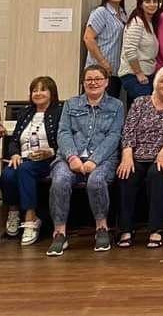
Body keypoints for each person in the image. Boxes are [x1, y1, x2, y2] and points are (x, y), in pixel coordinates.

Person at [47, 65, 124, 256]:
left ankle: (101, 228)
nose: (93, 83)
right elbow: (63, 132)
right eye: (89, 79)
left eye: (98, 79)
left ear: (106, 82)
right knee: (60, 180)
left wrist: (94, 160)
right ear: (83, 82)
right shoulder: (71, 104)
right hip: (69, 157)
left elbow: (114, 136)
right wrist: (72, 156)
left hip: (103, 159)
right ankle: (59, 232)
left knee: (96, 181)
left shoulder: (116, 106)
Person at [116, 66, 163, 248]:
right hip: (138, 153)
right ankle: (126, 229)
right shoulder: (140, 102)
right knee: (128, 173)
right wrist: (127, 154)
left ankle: (155, 230)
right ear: (155, 83)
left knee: (157, 174)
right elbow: (128, 130)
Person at [0, 76, 62, 246]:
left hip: (48, 159)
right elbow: (13, 140)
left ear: (52, 93)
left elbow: (65, 138)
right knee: (7, 174)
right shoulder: (26, 112)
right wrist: (14, 154)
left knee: (25, 169)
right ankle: (13, 213)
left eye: (43, 89)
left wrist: (51, 151)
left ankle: (31, 217)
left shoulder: (59, 112)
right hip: (24, 158)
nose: (38, 93)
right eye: (35, 90)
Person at [83, 0, 128, 98]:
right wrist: (103, 62)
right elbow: (88, 38)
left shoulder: (123, 14)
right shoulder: (101, 12)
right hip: (98, 71)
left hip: (115, 71)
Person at [119, 0, 161, 107]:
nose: (152, 4)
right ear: (140, 4)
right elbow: (130, 50)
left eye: (155, 1)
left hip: (147, 74)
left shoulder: (149, 22)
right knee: (144, 109)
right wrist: (139, 73)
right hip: (134, 75)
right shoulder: (137, 22)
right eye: (148, 1)